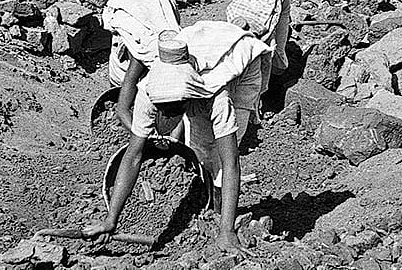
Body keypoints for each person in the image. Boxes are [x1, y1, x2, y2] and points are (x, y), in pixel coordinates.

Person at [87, 21, 271, 254]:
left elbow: (231, 162)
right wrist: (110, 219)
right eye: (162, 110)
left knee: (217, 153)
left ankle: (223, 220)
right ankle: (214, 204)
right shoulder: (149, 93)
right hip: (199, 52)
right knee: (202, 149)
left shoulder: (216, 96)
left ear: (188, 98)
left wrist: (227, 233)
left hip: (240, 62)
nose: (165, 116)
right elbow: (133, 156)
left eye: (173, 110)